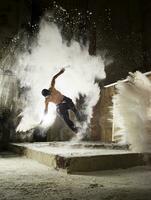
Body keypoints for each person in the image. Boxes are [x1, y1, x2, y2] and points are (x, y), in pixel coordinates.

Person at [41, 68, 80, 133]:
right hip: (60, 106)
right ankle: (76, 129)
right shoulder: (46, 100)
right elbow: (46, 110)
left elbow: (53, 78)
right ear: (46, 97)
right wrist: (43, 119)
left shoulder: (51, 88)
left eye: (50, 93)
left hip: (65, 100)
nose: (50, 95)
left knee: (74, 109)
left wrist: (60, 72)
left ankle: (81, 120)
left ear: (49, 91)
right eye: (48, 96)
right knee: (65, 118)